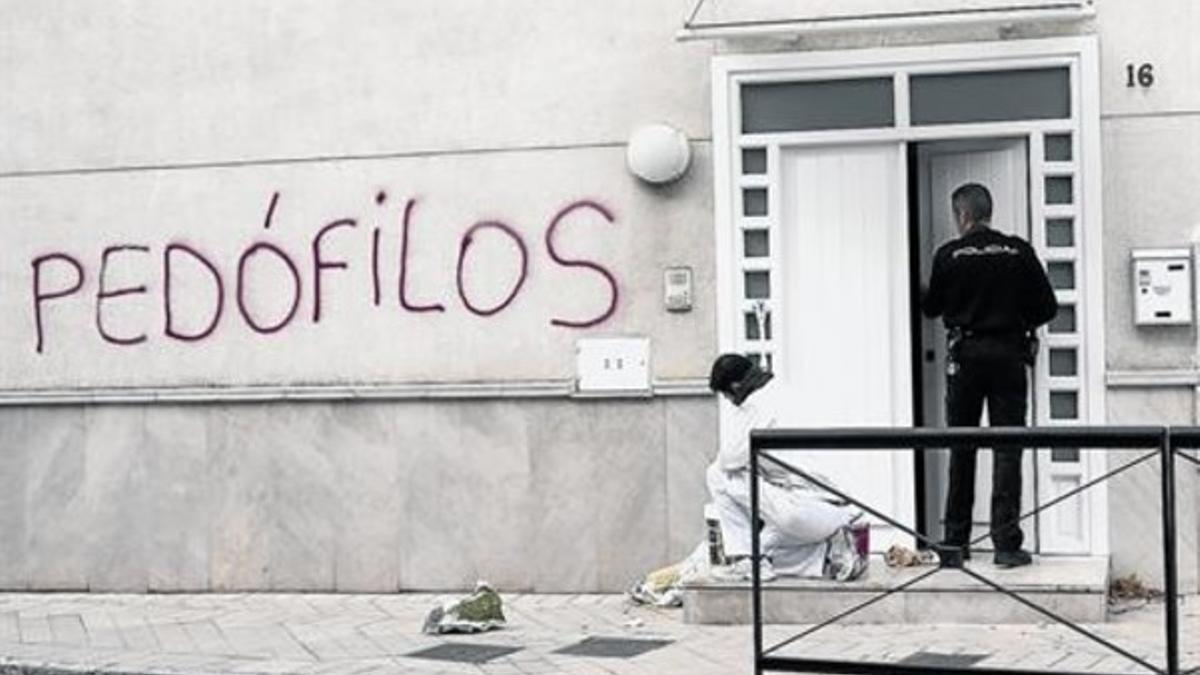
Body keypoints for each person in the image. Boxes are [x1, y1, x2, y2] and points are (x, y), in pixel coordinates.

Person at [922, 183, 1058, 569]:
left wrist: (923, 289)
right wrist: (1017, 318)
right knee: (1007, 449)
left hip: (964, 357)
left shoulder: (949, 255)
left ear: (961, 215)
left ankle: (954, 543)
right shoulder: (1018, 251)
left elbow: (932, 309)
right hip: (1008, 357)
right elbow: (1047, 308)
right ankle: (1006, 545)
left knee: (961, 448)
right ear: (988, 211)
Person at [705, 353, 864, 581]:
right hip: (840, 510)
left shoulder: (754, 404)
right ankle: (828, 556)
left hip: (802, 509)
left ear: (735, 386)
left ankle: (744, 559)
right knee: (762, 548)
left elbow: (729, 459)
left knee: (717, 475)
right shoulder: (783, 390)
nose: (729, 402)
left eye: (726, 395)